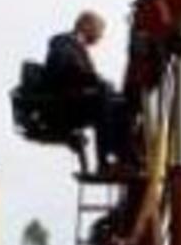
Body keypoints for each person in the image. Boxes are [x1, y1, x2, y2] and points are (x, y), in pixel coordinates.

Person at [44, 11, 136, 172]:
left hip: (75, 100)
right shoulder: (63, 42)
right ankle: (104, 161)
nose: (100, 37)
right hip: (64, 103)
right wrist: (94, 79)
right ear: (85, 25)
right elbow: (66, 69)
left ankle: (126, 157)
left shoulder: (75, 46)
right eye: (99, 31)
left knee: (121, 104)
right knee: (104, 98)